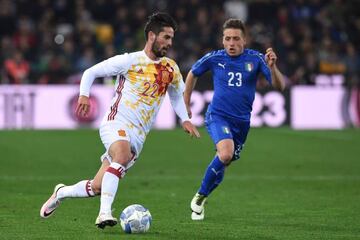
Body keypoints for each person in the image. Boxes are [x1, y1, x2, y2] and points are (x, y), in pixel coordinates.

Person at [40, 12, 200, 229]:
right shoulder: (130, 61)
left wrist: (185, 119)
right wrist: (84, 95)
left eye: (172, 38)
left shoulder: (170, 68)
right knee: (122, 155)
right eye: (166, 37)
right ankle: (104, 213)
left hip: (139, 136)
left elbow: (175, 95)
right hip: (116, 122)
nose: (170, 43)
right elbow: (90, 72)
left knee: (97, 186)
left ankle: (61, 192)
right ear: (152, 36)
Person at [184, 19, 285, 221]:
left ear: (244, 40)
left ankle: (202, 197)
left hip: (242, 123)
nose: (231, 43)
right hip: (217, 116)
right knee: (226, 153)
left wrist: (272, 68)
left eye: (236, 39)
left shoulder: (256, 59)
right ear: (222, 40)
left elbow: (279, 86)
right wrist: (185, 103)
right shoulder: (214, 58)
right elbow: (192, 74)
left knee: (224, 161)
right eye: (227, 38)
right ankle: (198, 197)